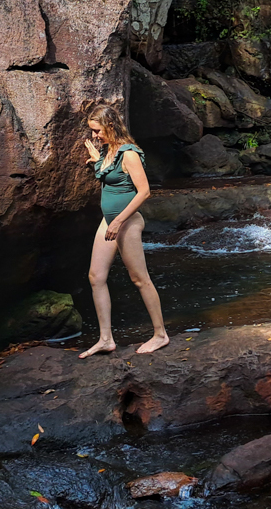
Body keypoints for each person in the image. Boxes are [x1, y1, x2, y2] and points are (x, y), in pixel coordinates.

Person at [79, 104, 169, 358]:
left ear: (110, 126)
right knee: (96, 277)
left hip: (125, 222)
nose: (95, 136)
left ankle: (160, 334)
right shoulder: (109, 151)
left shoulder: (129, 153)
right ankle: (106, 339)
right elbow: (109, 174)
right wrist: (97, 160)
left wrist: (118, 221)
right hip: (109, 222)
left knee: (139, 278)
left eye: (97, 131)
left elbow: (144, 191)